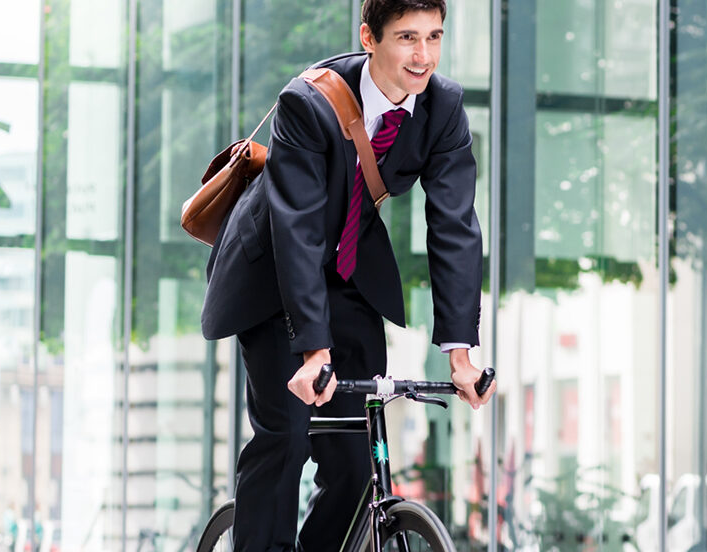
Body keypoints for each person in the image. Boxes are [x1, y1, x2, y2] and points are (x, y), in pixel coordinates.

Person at [200, 0, 496, 550]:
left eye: (433, 37)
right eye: (407, 37)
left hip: (347, 271)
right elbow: (296, 232)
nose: (423, 55)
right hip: (273, 273)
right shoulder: (309, 102)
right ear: (369, 37)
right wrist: (314, 351)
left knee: (360, 456)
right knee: (286, 436)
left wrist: (461, 355)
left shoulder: (443, 107)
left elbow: (454, 227)